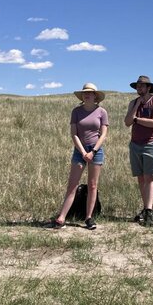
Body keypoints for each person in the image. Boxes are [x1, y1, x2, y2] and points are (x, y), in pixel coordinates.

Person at [47, 83, 108, 231]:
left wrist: (92, 151)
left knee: (93, 185)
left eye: (90, 93)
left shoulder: (102, 111)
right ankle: (61, 217)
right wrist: (82, 152)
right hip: (79, 150)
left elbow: (104, 134)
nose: (86, 95)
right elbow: (73, 133)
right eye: (84, 93)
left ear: (95, 96)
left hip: (96, 150)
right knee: (72, 185)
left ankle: (88, 217)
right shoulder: (76, 111)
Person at [124, 76, 153, 227]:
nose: (139, 88)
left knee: (150, 177)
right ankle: (146, 208)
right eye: (137, 86)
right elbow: (127, 122)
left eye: (142, 86)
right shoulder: (133, 102)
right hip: (135, 144)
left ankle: (149, 210)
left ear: (148, 87)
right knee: (140, 178)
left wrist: (135, 119)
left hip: (151, 143)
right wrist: (135, 108)